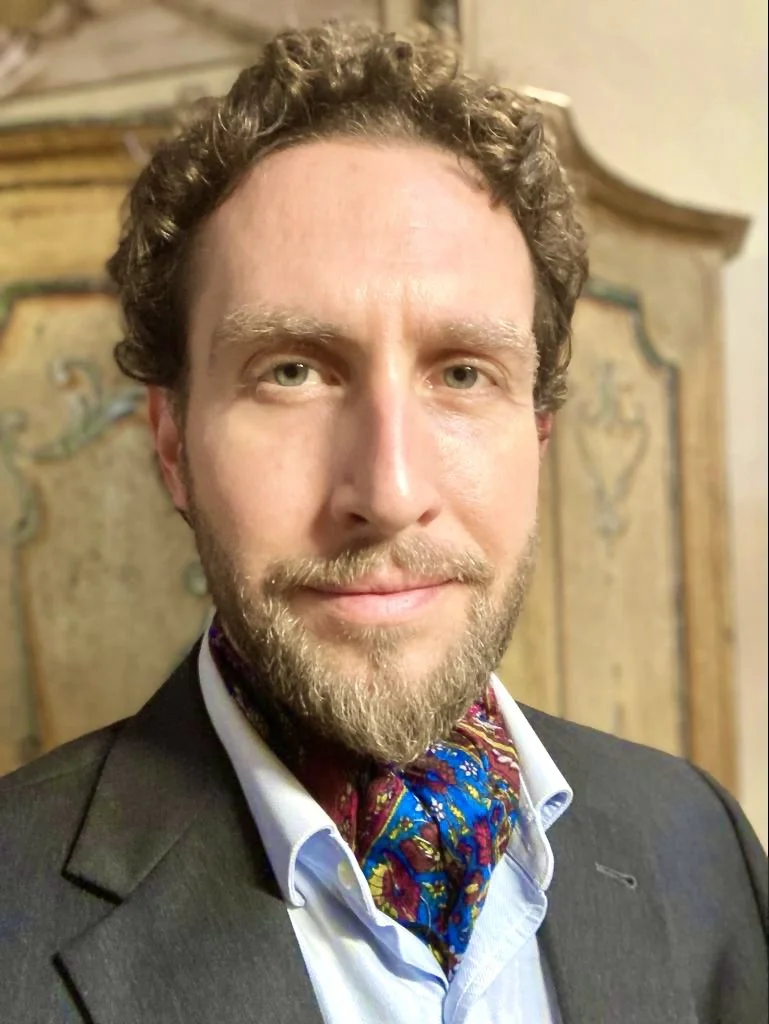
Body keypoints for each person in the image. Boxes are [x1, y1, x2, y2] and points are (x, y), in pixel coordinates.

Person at [0, 21, 766, 1024]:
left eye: (461, 371)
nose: (390, 487)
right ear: (172, 442)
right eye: (291, 371)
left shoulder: (700, 841)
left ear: (536, 430)